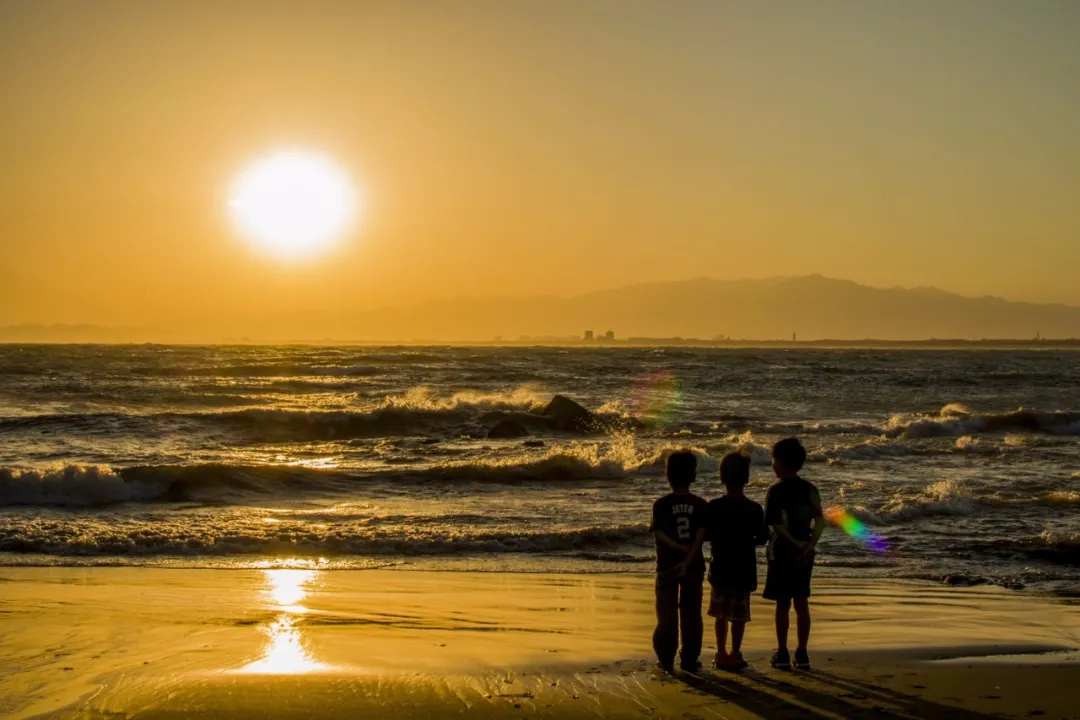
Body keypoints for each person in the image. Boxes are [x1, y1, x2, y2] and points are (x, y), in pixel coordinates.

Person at [763, 437, 824, 670]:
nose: (772, 465)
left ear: (780, 462)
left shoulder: (775, 491)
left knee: (782, 604)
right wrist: (808, 545)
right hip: (805, 554)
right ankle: (802, 652)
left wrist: (794, 543)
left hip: (782, 552)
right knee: (801, 602)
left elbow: (776, 526)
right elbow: (819, 522)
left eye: (773, 460)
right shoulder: (810, 489)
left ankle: (782, 652)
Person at [705, 452, 767, 671]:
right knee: (739, 615)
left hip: (720, 565)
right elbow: (761, 538)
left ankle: (721, 652)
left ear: (722, 478)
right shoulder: (753, 508)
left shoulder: (713, 506)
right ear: (746, 478)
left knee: (720, 613)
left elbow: (706, 534)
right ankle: (735, 652)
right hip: (743, 567)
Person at [649, 450, 708, 673]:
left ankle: (666, 658)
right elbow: (702, 535)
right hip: (694, 566)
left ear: (668, 475)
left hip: (667, 566)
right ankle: (690, 658)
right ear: (693, 476)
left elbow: (659, 534)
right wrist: (689, 553)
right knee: (692, 614)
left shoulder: (661, 504)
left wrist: (676, 548)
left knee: (666, 614)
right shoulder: (701, 504)